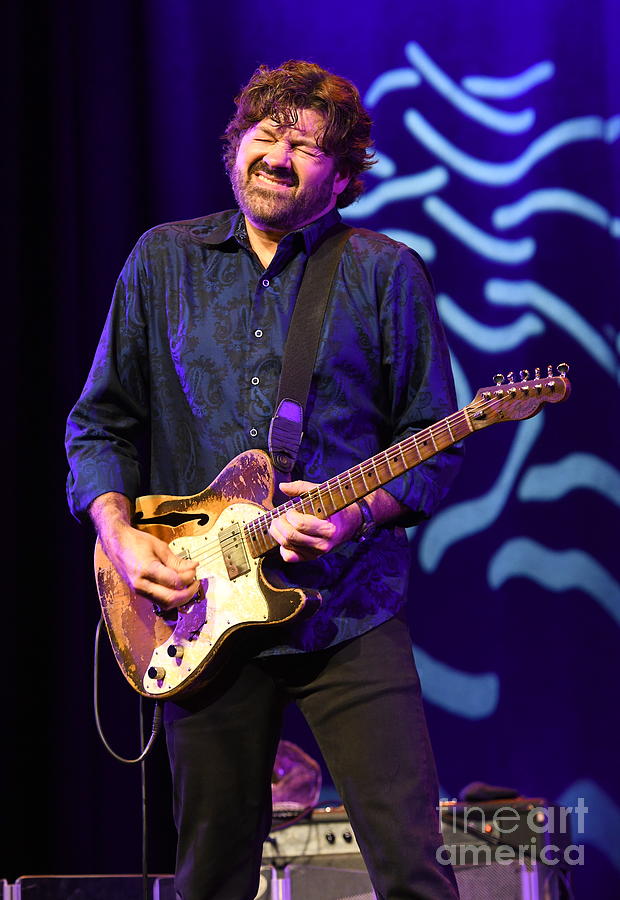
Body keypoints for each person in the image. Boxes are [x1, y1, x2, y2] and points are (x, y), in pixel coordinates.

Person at [66, 60, 462, 900]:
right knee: (208, 876)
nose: (279, 155)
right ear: (236, 144)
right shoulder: (162, 261)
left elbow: (435, 445)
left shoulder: (385, 273)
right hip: (198, 613)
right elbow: (98, 424)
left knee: (412, 868)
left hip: (348, 611)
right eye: (267, 133)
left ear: (346, 176)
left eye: (308, 145)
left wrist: (362, 515)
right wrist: (120, 535)